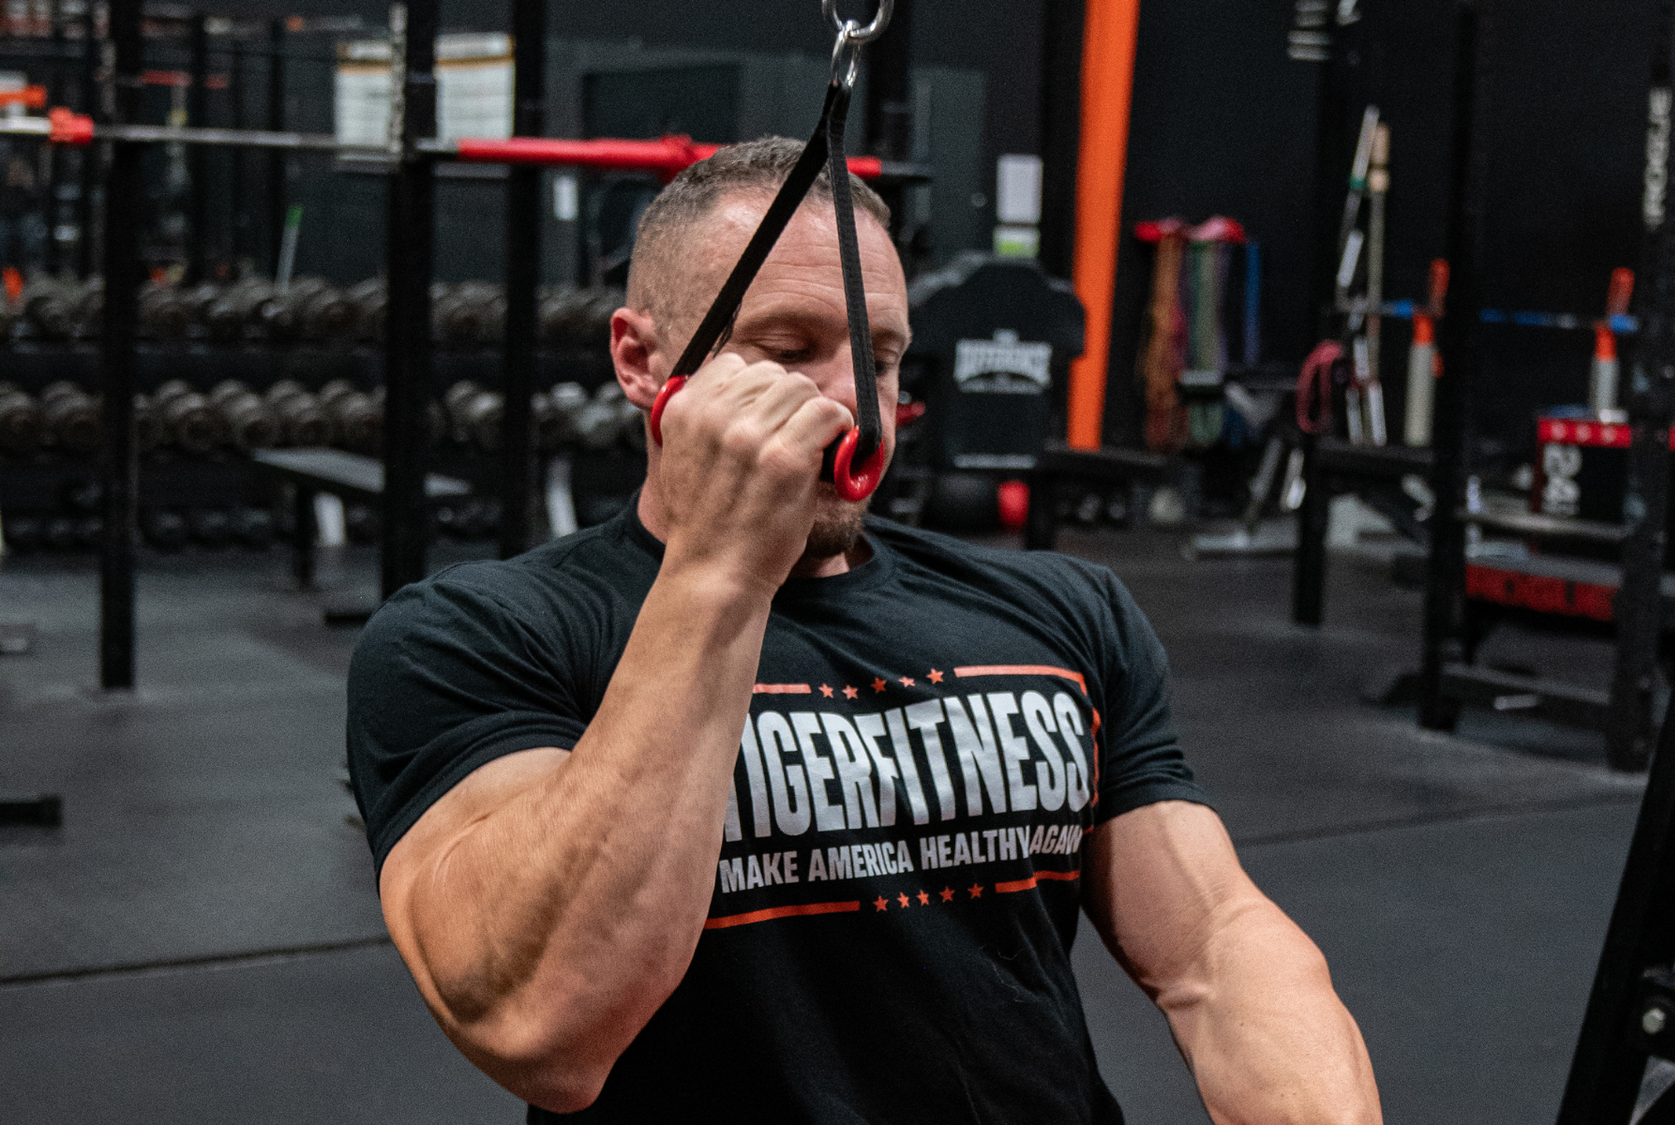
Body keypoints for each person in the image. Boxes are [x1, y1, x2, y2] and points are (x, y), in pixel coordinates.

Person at [347, 138, 1383, 1124]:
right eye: (786, 349)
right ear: (641, 360)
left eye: (882, 358)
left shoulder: (1065, 612)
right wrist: (719, 567)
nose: (856, 404)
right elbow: (540, 1026)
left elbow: (1214, 945)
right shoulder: (482, 637)